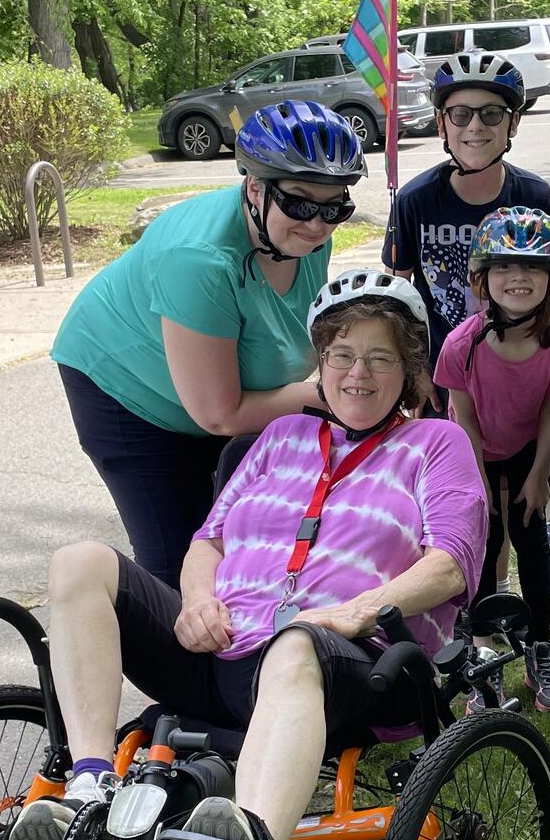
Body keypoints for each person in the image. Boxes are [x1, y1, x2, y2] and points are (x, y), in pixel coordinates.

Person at [10, 270, 487, 840]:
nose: (358, 373)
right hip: (223, 648)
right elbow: (208, 541)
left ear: (408, 370)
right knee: (80, 562)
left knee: (297, 645)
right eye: (342, 354)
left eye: (380, 357)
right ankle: (90, 788)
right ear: (320, 363)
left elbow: (451, 565)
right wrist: (200, 599)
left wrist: (352, 611)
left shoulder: (435, 444)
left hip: (355, 666)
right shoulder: (281, 437)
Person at [51, 101, 365, 588]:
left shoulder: (306, 234)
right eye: (302, 204)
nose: (319, 224)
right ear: (254, 186)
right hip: (125, 388)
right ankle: (152, 655)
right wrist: (325, 398)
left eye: (335, 207)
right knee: (181, 563)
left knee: (248, 539)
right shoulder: (200, 259)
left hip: (219, 393)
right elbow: (220, 415)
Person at [434, 207, 550, 714]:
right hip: (473, 450)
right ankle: (480, 649)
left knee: (529, 534)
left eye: (532, 268)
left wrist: (541, 473)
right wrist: (481, 488)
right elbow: (464, 421)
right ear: (483, 278)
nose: (518, 278)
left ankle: (541, 644)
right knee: (484, 541)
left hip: (528, 449)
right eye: (504, 267)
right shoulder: (462, 346)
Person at [383, 53, 550, 406]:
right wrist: (414, 369)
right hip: (438, 372)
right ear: (441, 123)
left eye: (491, 113)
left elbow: (545, 286)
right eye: (460, 114)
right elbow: (394, 297)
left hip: (515, 363)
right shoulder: (414, 200)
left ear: (513, 122)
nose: (475, 126)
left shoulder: (533, 195)